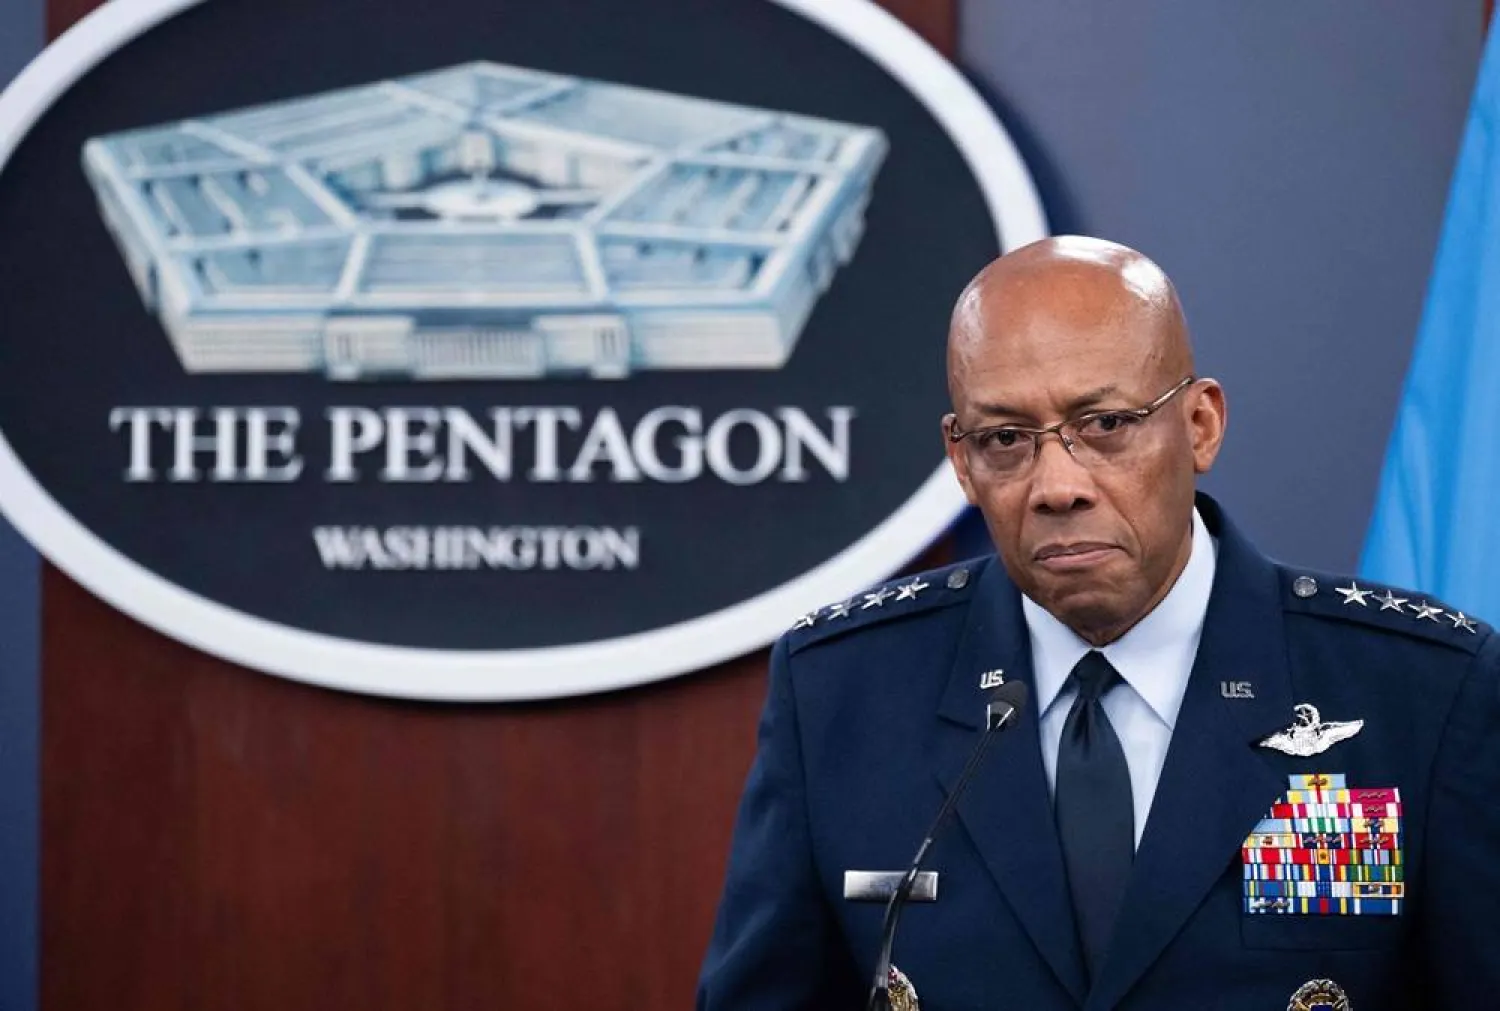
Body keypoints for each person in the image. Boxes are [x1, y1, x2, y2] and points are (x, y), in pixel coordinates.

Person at [696, 236, 1500, 1010]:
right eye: (1006, 438)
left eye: (1105, 424)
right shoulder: (843, 688)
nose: (1057, 485)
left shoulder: (1420, 690)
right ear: (961, 460)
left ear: (1201, 426)